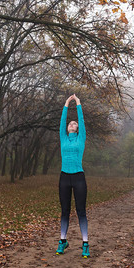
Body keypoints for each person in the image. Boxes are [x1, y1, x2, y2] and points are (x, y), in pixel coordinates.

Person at [55, 94, 90, 258]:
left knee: (81, 211)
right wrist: (66, 104)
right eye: (70, 123)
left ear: (77, 129)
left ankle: (85, 244)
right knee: (65, 211)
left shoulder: (81, 138)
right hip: (64, 177)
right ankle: (62, 241)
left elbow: (81, 121)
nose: (71, 124)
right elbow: (62, 122)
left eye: (74, 123)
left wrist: (78, 104)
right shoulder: (63, 138)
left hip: (78, 178)